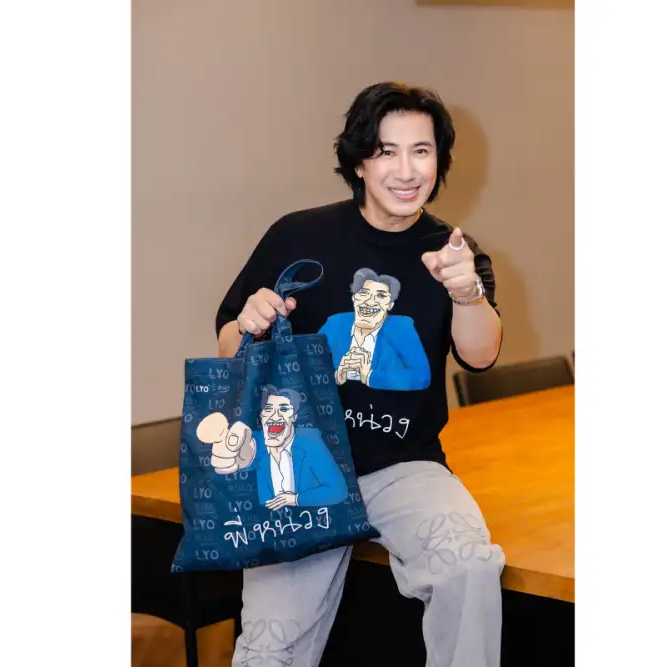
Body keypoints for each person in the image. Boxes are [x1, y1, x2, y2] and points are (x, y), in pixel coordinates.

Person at [215, 81, 505, 667]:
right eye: (386, 151)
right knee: (269, 650)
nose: (406, 170)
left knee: (470, 569)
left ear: (439, 161)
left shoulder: (452, 251)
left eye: (421, 151)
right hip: (300, 464)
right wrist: (249, 322)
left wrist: (467, 292)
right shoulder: (298, 235)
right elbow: (228, 348)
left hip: (405, 467)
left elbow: (481, 356)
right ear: (359, 162)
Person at [196, 386, 348, 509]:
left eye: (284, 409)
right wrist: (238, 454)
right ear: (262, 416)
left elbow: (338, 491)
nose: (274, 416)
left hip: (314, 526)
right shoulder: (254, 440)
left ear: (294, 417)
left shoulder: (310, 443)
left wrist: (295, 499)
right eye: (268, 409)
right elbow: (251, 451)